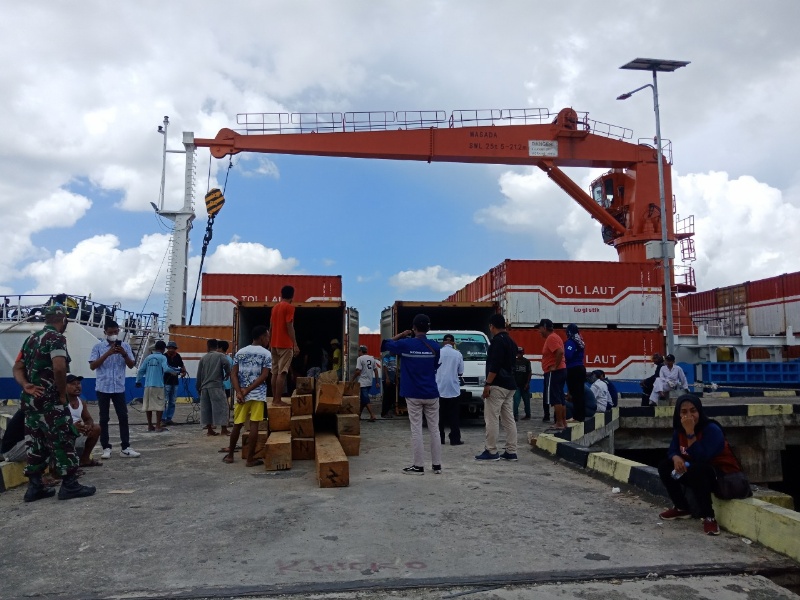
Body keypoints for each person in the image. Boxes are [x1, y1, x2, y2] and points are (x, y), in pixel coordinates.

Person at [15, 304, 95, 501]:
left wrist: (26, 384)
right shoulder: (56, 338)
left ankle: (35, 487)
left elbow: (17, 367)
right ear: (63, 319)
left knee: (35, 442)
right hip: (51, 402)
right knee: (63, 439)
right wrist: (61, 395)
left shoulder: (30, 339)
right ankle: (70, 485)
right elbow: (59, 368)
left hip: (31, 402)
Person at [658, 395, 749, 536]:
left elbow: (701, 457)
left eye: (693, 411)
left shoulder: (712, 430)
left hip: (722, 476)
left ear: (699, 411)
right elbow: (673, 450)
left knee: (697, 469)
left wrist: (690, 432)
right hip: (696, 472)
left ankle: (709, 517)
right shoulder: (679, 430)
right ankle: (682, 508)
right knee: (665, 466)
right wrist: (676, 458)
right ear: (678, 413)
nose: (689, 416)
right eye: (684, 412)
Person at [381, 314, 441, 475]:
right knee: (434, 428)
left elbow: (385, 345)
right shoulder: (435, 347)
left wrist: (401, 334)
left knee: (416, 429)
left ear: (414, 328)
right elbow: (434, 367)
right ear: (428, 329)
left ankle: (418, 466)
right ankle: (437, 465)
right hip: (432, 393)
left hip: (413, 393)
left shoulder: (405, 344)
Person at [89, 320, 140, 459]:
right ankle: (106, 447)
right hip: (103, 387)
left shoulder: (125, 346)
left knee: (123, 417)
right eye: (110, 332)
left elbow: (131, 365)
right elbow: (93, 366)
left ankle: (125, 447)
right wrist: (108, 353)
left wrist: (123, 354)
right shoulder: (98, 347)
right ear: (105, 332)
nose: (113, 335)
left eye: (115, 332)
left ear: (118, 331)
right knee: (104, 418)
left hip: (118, 387)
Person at [223, 326, 272, 466]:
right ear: (262, 337)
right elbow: (264, 376)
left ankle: (230, 456)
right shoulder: (266, 354)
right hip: (258, 395)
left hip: (241, 396)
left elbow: (233, 374)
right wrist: (248, 390)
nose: (268, 340)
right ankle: (250, 459)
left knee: (237, 425)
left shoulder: (240, 352)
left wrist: (239, 391)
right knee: (254, 425)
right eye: (267, 337)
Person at [475, 314, 518, 462]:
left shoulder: (497, 342)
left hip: (497, 385)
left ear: (492, 326)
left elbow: (495, 365)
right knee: (508, 419)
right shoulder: (511, 342)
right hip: (510, 385)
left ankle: (491, 451)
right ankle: (511, 451)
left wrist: (487, 384)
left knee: (491, 418)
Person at [136, 340, 179, 433]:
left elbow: (141, 370)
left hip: (147, 385)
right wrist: (177, 371)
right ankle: (158, 426)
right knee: (159, 405)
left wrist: (138, 381)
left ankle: (150, 425)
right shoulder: (162, 357)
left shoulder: (148, 357)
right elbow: (166, 368)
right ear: (163, 349)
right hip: (158, 385)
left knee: (148, 406)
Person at [270, 285, 300, 407]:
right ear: (292, 295)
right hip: (285, 344)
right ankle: (278, 400)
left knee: (274, 372)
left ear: (281, 294)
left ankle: (274, 399)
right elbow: (289, 326)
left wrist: (270, 341)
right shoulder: (289, 308)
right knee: (282, 373)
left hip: (274, 344)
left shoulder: (275, 308)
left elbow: (271, 326)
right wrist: (295, 344)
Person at [64, 374, 102, 467]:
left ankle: (85, 459)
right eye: (73, 384)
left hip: (77, 432)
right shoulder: (60, 402)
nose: (77, 386)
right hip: (63, 433)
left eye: (79, 383)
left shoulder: (81, 402)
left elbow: (88, 419)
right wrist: (71, 427)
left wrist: (88, 425)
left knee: (96, 428)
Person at [537, 318, 568, 430]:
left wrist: (555, 365)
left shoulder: (551, 338)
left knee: (555, 398)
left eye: (540, 328)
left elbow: (559, 351)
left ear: (544, 328)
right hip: (561, 371)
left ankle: (559, 422)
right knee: (560, 397)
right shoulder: (556, 337)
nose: (539, 331)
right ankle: (563, 422)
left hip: (554, 372)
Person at [196, 339, 231, 436]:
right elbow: (227, 364)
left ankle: (209, 430)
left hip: (204, 387)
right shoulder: (220, 356)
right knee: (222, 407)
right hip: (216, 386)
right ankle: (224, 429)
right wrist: (228, 372)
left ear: (208, 346)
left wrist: (198, 387)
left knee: (207, 409)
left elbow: (199, 374)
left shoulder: (203, 358)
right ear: (216, 346)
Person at [436, 333, 464, 445]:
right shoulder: (458, 354)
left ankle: (440, 439)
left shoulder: (437, 353)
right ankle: (455, 439)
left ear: (443, 342)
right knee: (454, 416)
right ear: (453, 342)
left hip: (439, 388)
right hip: (453, 389)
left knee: (439, 416)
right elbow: (461, 372)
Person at [564, 324, 587, 422]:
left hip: (573, 369)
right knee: (580, 394)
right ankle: (580, 416)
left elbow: (568, 355)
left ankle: (577, 417)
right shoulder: (580, 342)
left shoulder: (571, 342)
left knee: (575, 394)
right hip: (581, 368)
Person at [162, 340, 187, 426]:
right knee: (164, 401)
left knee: (172, 401)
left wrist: (184, 371)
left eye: (173, 348)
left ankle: (169, 418)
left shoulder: (178, 356)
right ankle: (162, 419)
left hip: (175, 382)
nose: (171, 350)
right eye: (170, 348)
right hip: (166, 381)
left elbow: (181, 365)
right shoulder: (164, 357)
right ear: (168, 348)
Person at [352, 345, 379, 422]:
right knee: (363, 400)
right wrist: (376, 382)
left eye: (358, 351)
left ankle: (372, 415)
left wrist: (352, 379)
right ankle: (359, 415)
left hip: (363, 382)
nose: (358, 352)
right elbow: (376, 370)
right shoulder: (372, 358)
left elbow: (358, 371)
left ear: (361, 351)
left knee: (365, 399)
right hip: (370, 382)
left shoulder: (360, 359)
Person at [512, 347, 532, 421]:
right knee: (516, 401)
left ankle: (528, 414)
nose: (518, 355)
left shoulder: (526, 362)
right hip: (516, 384)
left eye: (520, 353)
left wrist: (527, 383)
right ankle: (515, 415)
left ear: (523, 353)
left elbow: (529, 373)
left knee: (526, 401)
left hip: (524, 385)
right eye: (517, 353)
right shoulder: (513, 361)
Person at [218, 340, 234, 407]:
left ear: (221, 348)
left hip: (220, 384)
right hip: (228, 385)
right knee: (226, 401)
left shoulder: (218, 359)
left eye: (217, 348)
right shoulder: (230, 359)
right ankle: (227, 415)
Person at [381, 353, 397, 419]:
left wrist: (396, 379)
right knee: (386, 397)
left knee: (392, 397)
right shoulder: (387, 356)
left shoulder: (396, 357)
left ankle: (388, 411)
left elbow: (395, 369)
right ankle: (384, 413)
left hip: (392, 380)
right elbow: (385, 367)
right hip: (387, 380)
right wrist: (387, 378)